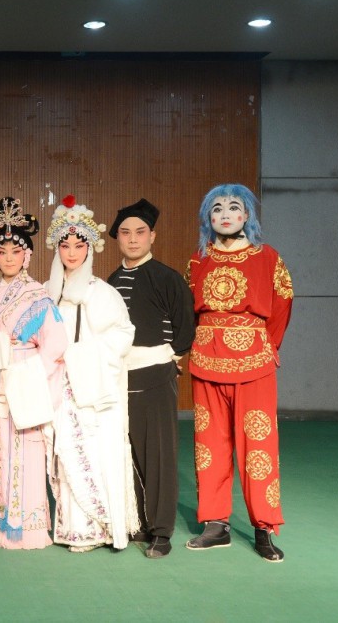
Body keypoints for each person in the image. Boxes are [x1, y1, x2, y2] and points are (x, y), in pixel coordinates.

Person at [184, 184, 293, 563]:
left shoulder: (268, 257)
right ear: (208, 218)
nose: (225, 214)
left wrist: (265, 344)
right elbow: (187, 308)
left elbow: (282, 303)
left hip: (254, 362)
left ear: (247, 215)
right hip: (206, 358)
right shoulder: (198, 260)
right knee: (209, 444)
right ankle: (216, 523)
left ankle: (264, 526)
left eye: (234, 207)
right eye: (217, 208)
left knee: (259, 444)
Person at [0, 197, 66, 550]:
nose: (8, 258)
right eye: (1, 252)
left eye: (15, 252)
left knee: (25, 451)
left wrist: (29, 375)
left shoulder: (37, 295)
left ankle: (28, 526)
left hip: (24, 379)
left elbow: (55, 343)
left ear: (26, 256)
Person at [44, 195, 139, 552]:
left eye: (78, 245)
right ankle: (74, 529)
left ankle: (102, 527)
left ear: (89, 248)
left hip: (92, 388)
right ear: (56, 248)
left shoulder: (102, 292)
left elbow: (123, 334)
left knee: (95, 453)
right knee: (65, 455)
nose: (71, 253)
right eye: (65, 245)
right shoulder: (47, 292)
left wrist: (83, 355)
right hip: (59, 386)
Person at [108, 199, 195, 559]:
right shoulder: (111, 281)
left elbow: (185, 327)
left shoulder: (168, 278)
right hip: (118, 377)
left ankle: (161, 530)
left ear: (152, 236)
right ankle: (138, 522)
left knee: (158, 454)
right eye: (126, 233)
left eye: (140, 232)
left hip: (156, 374)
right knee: (125, 453)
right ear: (117, 238)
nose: (133, 239)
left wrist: (171, 359)